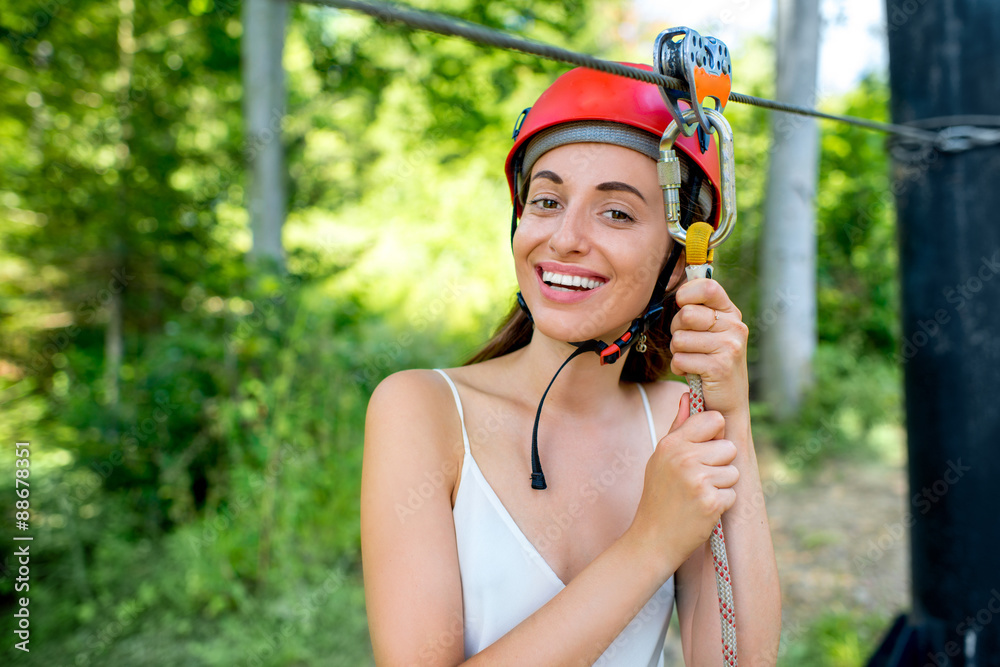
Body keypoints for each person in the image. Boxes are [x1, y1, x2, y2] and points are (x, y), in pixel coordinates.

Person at [361, 64, 781, 665]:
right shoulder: (422, 411)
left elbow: (742, 661)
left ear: (677, 262)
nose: (564, 238)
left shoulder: (677, 423)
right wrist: (649, 544)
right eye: (548, 201)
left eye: (616, 213)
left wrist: (730, 415)